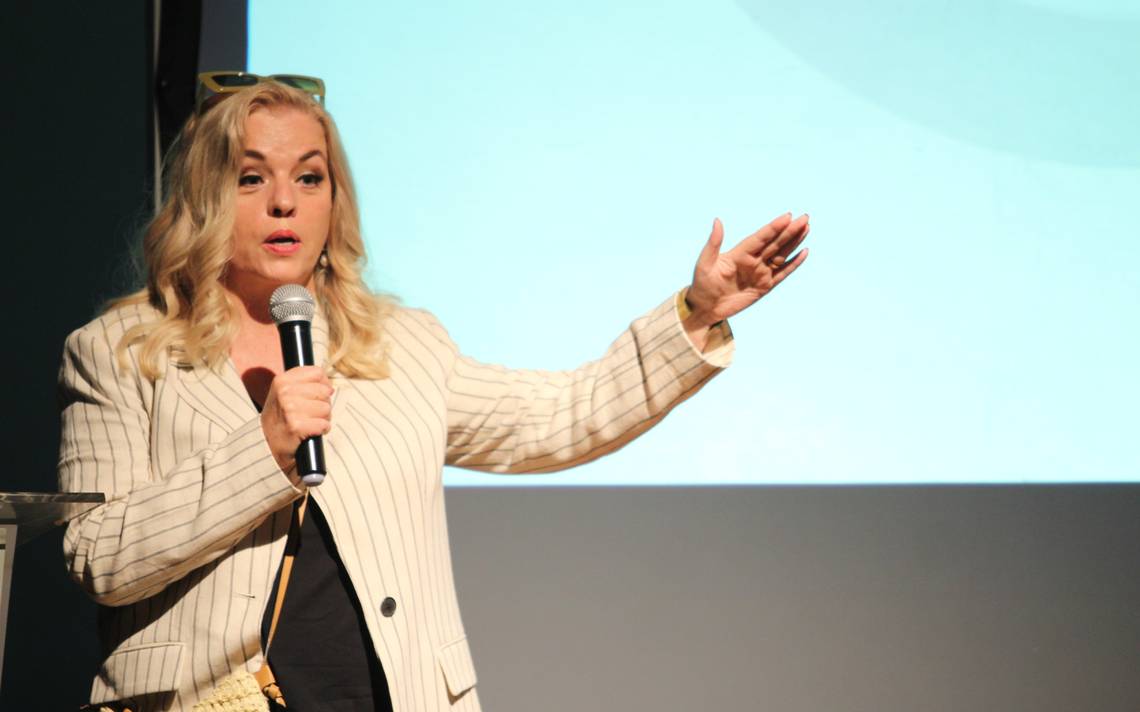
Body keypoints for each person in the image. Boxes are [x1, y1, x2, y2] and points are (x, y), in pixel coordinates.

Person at [58, 75, 809, 712]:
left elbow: (560, 416)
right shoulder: (119, 354)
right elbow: (99, 556)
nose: (284, 201)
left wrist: (695, 314)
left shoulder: (399, 345)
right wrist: (264, 450)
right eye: (251, 177)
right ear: (204, 196)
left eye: (310, 177)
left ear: (334, 200)